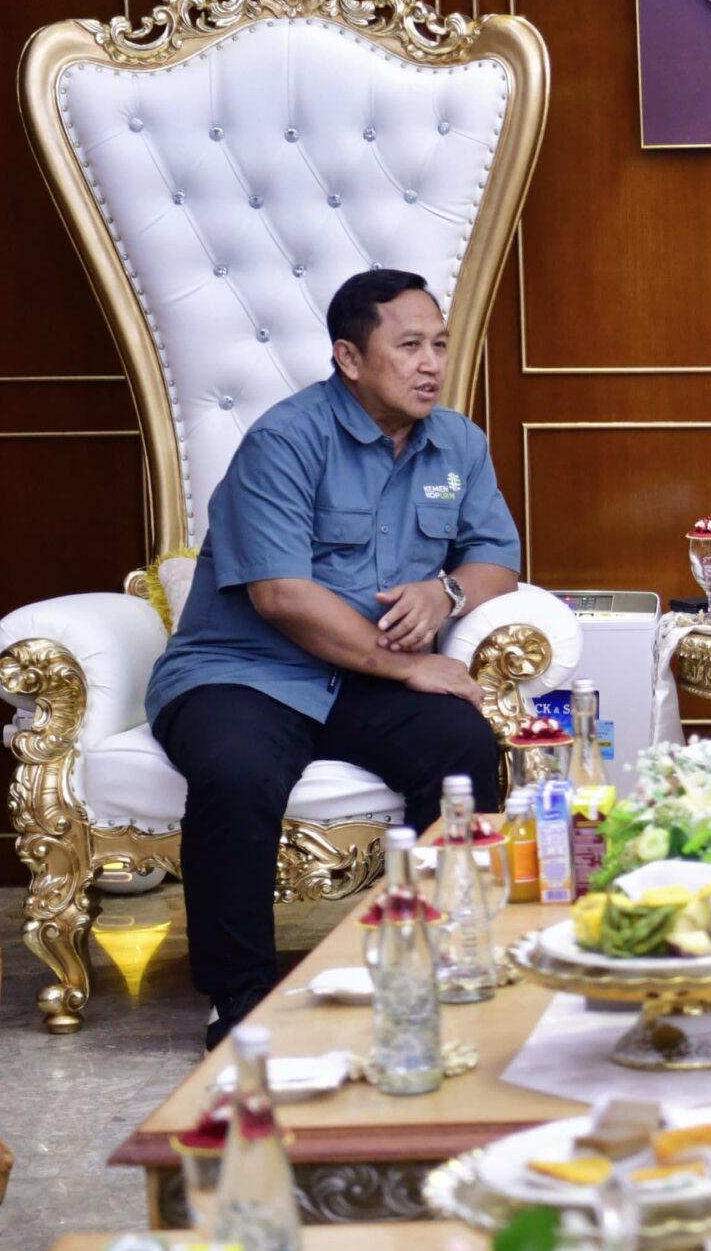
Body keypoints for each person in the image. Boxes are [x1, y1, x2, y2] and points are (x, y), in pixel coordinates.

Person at [146, 268, 523, 1047]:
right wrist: (411, 665)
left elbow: (497, 558)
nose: (431, 364)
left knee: (459, 745)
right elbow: (281, 595)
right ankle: (240, 998)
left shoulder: (458, 442)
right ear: (349, 358)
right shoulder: (285, 439)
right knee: (237, 770)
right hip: (243, 669)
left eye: (439, 344)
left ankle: (440, 956)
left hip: (360, 676)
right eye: (409, 346)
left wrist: (446, 591)